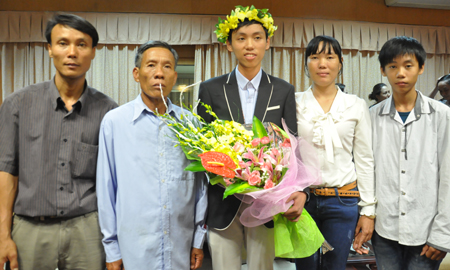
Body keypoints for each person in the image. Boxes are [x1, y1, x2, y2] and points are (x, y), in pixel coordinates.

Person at [0, 13, 118, 270]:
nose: (72, 52)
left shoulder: (109, 111)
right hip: (30, 229)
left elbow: (114, 178)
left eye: (82, 44)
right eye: (63, 43)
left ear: (93, 52)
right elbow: (6, 172)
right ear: (50, 50)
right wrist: (3, 235)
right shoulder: (17, 104)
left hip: (87, 229)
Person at [197, 5, 306, 270]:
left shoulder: (282, 90)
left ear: (268, 43)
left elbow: (293, 143)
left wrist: (300, 191)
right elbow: (200, 146)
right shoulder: (210, 89)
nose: (249, 45)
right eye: (241, 38)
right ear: (229, 44)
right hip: (222, 200)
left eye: (257, 37)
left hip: (267, 201)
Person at [96, 40, 207, 270]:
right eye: (151, 66)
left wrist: (198, 239)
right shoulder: (115, 123)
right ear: (137, 74)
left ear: (175, 77)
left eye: (167, 67)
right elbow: (106, 189)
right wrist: (112, 249)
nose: (159, 73)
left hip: (181, 247)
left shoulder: (192, 124)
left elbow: (200, 187)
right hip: (133, 250)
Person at [294, 35, 376, 270]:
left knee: (336, 266)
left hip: (343, 201)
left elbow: (364, 159)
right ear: (306, 64)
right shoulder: (294, 101)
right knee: (305, 267)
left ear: (340, 64)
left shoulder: (355, 104)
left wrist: (368, 210)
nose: (322, 64)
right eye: (315, 57)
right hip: (303, 201)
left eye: (330, 57)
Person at [370, 36, 450, 270]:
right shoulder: (372, 116)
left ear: (421, 67)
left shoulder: (442, 116)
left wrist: (442, 234)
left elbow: (448, 177)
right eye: (393, 66)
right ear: (383, 71)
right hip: (384, 228)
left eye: (408, 65)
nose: (401, 73)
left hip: (426, 229)